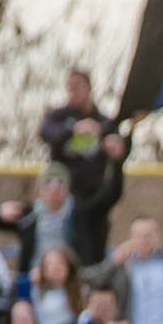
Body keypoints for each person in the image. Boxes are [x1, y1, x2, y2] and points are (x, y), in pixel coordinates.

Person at [37, 69, 131, 258]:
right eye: (69, 88)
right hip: (66, 197)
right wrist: (74, 129)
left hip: (94, 195)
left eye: (77, 87)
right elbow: (45, 133)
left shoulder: (103, 121)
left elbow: (121, 150)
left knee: (94, 248)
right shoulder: (59, 116)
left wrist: (124, 138)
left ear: (89, 87)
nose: (73, 92)